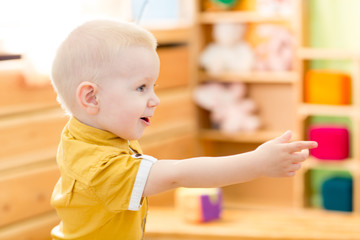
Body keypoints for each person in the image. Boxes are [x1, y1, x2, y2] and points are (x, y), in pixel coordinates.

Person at [49, 19, 317, 240]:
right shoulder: (100, 168)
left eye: (154, 86)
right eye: (141, 87)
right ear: (91, 98)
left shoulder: (82, 130)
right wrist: (257, 163)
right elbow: (177, 175)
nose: (155, 99)